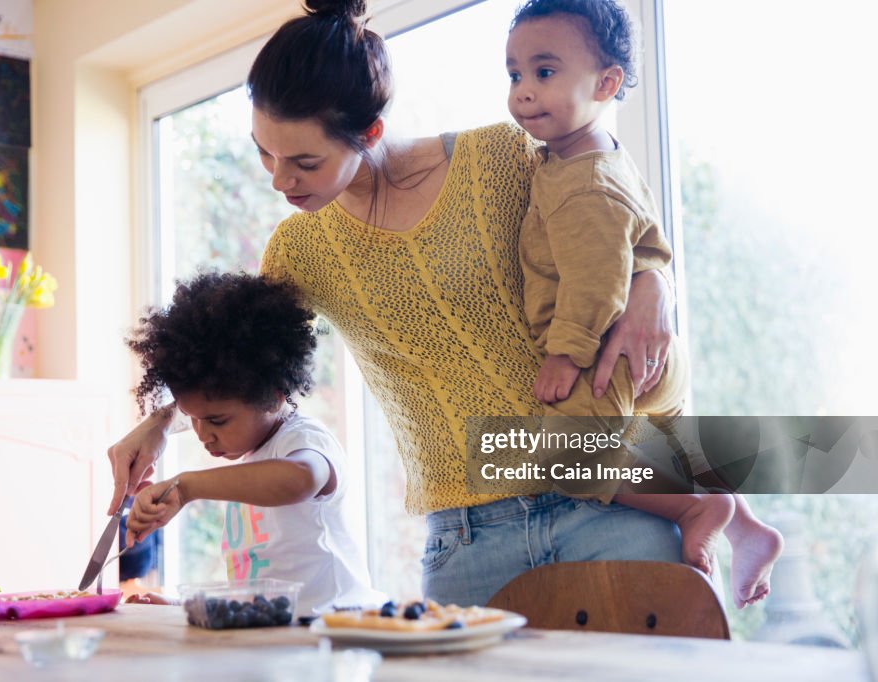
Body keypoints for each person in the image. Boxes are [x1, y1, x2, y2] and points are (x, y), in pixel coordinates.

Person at [108, 0, 685, 608]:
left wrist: (657, 283)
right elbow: (235, 366)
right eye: (265, 153)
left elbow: (608, 212)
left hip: (612, 497)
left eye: (305, 161)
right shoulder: (299, 249)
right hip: (467, 540)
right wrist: (159, 422)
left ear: (370, 132)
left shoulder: (499, 158)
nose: (281, 180)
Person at [506, 0, 781, 608]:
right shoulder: (590, 152)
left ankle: (694, 507)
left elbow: (597, 283)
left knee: (566, 462)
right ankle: (749, 531)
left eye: (544, 73)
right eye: (515, 74)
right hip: (650, 352)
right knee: (664, 446)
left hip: (608, 351)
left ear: (606, 83)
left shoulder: (584, 184)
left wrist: (566, 354)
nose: (524, 92)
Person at [121, 271, 385, 616]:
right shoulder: (251, 461)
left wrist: (186, 487)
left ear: (273, 398)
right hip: (280, 634)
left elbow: (301, 479)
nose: (202, 434)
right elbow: (262, 583)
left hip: (335, 627)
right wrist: (188, 604)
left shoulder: (302, 439)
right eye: (193, 418)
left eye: (217, 420)